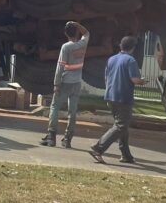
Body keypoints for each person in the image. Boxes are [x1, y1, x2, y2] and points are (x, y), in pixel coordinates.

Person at [89, 35, 145, 164]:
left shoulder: (111, 59)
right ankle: (98, 148)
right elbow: (135, 80)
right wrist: (143, 82)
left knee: (122, 126)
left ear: (121, 45)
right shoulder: (130, 61)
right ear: (133, 48)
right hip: (123, 97)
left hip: (110, 96)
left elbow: (106, 78)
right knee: (121, 126)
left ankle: (126, 155)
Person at [40, 21, 90, 149]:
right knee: (72, 112)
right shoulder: (82, 44)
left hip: (65, 82)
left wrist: (56, 84)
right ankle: (67, 139)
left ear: (65, 34)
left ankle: (51, 137)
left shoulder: (66, 47)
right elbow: (87, 33)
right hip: (77, 82)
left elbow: (60, 66)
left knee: (55, 107)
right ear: (77, 32)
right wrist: (77, 24)